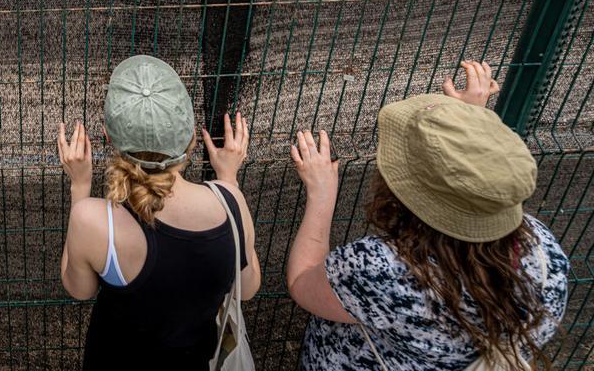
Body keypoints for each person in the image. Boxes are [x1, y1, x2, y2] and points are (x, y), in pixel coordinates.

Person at [288, 61, 569, 370]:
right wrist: (465, 130)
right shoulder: (547, 257)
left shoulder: (383, 270)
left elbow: (302, 283)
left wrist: (321, 194)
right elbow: (478, 197)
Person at [56, 55, 261, 370]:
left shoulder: (92, 220)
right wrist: (229, 180)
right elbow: (248, 287)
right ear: (192, 138)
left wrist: (80, 186)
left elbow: (79, 289)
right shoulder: (230, 202)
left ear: (109, 138)